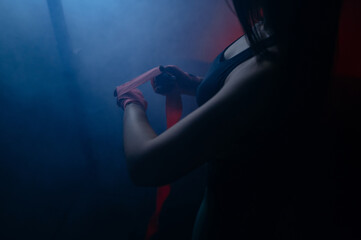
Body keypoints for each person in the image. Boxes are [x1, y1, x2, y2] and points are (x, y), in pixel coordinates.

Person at [115, 0, 348, 239]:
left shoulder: (270, 67)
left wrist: (131, 101)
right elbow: (245, 102)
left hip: (237, 225)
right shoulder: (268, 29)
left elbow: (147, 166)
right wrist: (194, 84)